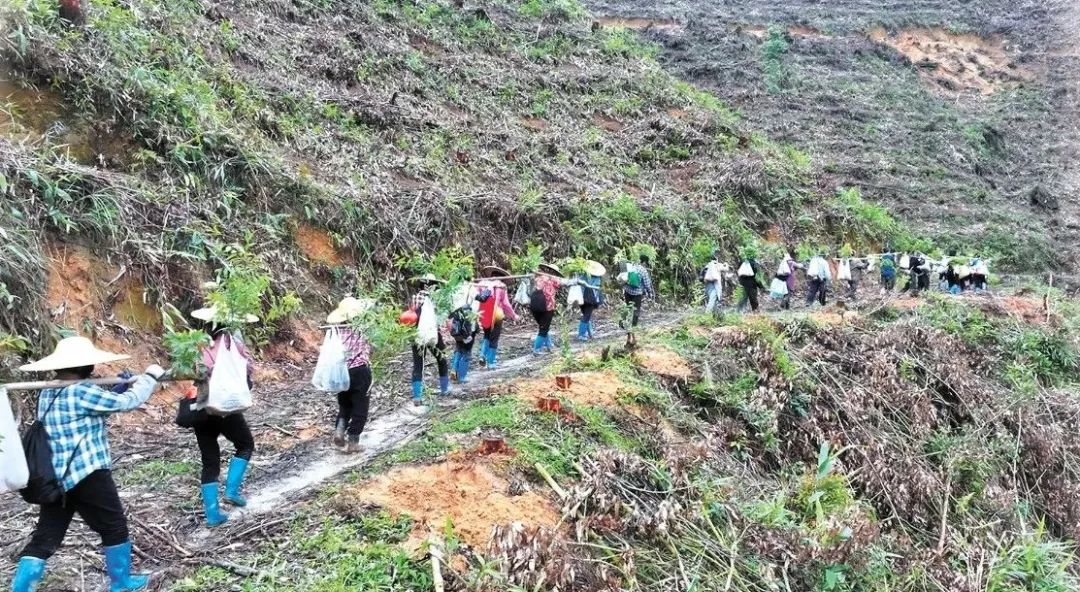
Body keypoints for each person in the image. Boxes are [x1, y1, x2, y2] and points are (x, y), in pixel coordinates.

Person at [12, 337, 165, 592]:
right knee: (114, 526)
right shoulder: (83, 391)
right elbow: (128, 402)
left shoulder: (48, 391)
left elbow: (88, 411)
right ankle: (121, 583)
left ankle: (20, 588)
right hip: (88, 473)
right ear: (86, 366)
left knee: (46, 536)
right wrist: (150, 377)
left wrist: (115, 388)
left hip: (56, 479)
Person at [189, 306, 258, 527]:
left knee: (209, 461)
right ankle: (232, 490)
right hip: (226, 408)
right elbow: (249, 369)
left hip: (202, 408)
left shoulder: (198, 347)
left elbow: (194, 373)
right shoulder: (233, 346)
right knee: (245, 443)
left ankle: (212, 514)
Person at [325, 297, 374, 454]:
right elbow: (374, 345)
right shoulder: (363, 329)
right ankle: (353, 441)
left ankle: (339, 431)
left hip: (341, 372)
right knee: (361, 407)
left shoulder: (335, 332)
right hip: (360, 371)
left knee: (345, 405)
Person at [409, 274, 450, 404]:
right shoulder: (436, 299)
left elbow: (410, 316)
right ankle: (444, 389)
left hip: (417, 335)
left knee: (418, 365)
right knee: (441, 358)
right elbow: (440, 316)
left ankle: (417, 396)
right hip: (433, 334)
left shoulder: (415, 297)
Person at [476, 266, 518, 369]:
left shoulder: (482, 284)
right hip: (496, 314)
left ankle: (482, 355)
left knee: (486, 335)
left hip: (484, 313)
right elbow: (506, 304)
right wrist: (514, 316)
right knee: (494, 338)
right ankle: (491, 362)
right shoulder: (501, 286)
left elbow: (476, 298)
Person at [530, 263, 564, 354]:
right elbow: (561, 283)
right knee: (544, 329)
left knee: (543, 327)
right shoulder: (554, 280)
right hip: (546, 306)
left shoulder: (538, 277)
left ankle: (549, 345)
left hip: (534, 304)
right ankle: (537, 350)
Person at [621, 254, 654, 338]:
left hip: (627, 292)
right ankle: (633, 331)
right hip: (637, 294)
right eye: (646, 262)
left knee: (628, 308)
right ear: (644, 262)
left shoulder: (631, 266)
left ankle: (626, 328)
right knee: (635, 312)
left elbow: (624, 277)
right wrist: (650, 292)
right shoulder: (643, 270)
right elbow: (647, 284)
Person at [576, 260, 606, 340]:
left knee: (586, 315)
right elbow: (597, 288)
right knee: (587, 316)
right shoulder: (597, 277)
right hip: (591, 297)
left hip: (580, 296)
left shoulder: (581, 274)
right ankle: (581, 334)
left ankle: (590, 333)